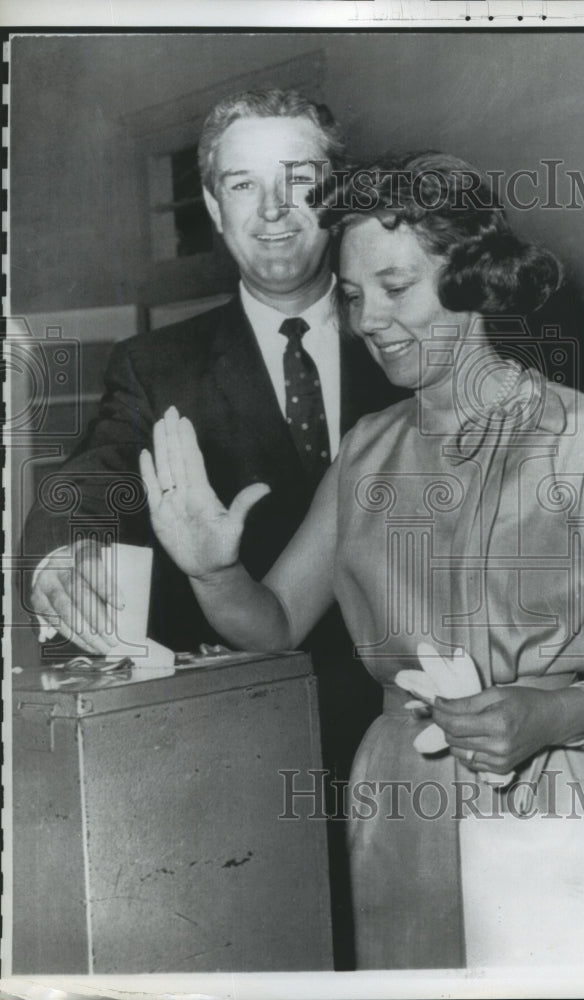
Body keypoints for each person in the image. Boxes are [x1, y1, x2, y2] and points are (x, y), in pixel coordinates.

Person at [140, 152, 584, 970]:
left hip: (549, 777)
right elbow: (274, 624)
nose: (368, 319)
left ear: (473, 278)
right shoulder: (365, 452)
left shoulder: (583, 438)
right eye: (351, 297)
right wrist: (213, 573)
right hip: (395, 795)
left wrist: (553, 713)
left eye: (395, 287)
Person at [22, 88, 403, 968]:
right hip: (243, 760)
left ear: (336, 192)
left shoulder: (417, 333)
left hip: (416, 743)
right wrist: (58, 552)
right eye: (242, 186)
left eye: (299, 181)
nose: (272, 213)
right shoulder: (158, 367)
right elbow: (93, 476)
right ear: (211, 207)